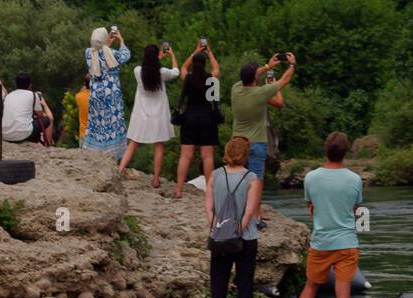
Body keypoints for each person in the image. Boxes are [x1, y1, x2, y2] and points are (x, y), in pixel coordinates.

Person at [295, 131, 363, 298]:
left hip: (321, 242)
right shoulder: (355, 179)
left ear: (326, 151)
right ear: (345, 152)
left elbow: (311, 206)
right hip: (346, 242)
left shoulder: (311, 177)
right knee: (343, 291)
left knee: (310, 287)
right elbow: (355, 210)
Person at [204, 135, 264, 298]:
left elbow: (209, 207)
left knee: (218, 286)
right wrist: (239, 227)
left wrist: (218, 226)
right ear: (246, 155)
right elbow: (250, 210)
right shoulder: (251, 179)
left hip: (220, 238)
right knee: (245, 285)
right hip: (245, 239)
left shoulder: (215, 175)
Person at [230, 51, 296, 209]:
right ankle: (255, 213)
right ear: (255, 78)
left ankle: (237, 207)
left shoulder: (235, 89)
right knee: (256, 179)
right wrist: (292, 64)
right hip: (257, 142)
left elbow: (251, 75)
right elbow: (284, 80)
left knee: (237, 177)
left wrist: (267, 66)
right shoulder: (261, 93)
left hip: (238, 141)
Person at [119, 42, 180, 182]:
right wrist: (171, 55)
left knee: (133, 143)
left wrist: (157, 58)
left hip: (141, 114)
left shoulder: (137, 71)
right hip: (158, 115)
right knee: (158, 145)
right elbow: (176, 72)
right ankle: (156, 179)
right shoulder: (162, 73)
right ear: (156, 56)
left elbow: (150, 67)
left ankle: (120, 169)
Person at [174, 39, 221, 195]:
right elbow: (216, 68)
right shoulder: (211, 79)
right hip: (207, 118)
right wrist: (209, 52)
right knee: (207, 157)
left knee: (185, 156)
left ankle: (179, 189)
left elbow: (183, 67)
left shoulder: (188, 78)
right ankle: (209, 189)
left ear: (194, 63)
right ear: (205, 64)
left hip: (189, 118)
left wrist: (196, 51)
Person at [82, 27, 130, 152]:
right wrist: (121, 40)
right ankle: (113, 151)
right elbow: (126, 55)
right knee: (113, 120)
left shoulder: (88, 52)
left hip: (95, 93)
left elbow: (99, 51)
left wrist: (105, 43)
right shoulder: (112, 53)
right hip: (111, 93)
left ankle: (95, 148)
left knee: (97, 120)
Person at [0, 72, 53, 146]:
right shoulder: (33, 95)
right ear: (30, 85)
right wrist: (44, 104)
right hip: (22, 134)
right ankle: (48, 144)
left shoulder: (9, 95)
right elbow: (40, 115)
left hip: (5, 134)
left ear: (16, 84)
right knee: (48, 120)